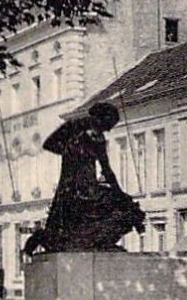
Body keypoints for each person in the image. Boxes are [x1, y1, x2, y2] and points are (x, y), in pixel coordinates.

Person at [24, 101, 146, 254]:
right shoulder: (75, 127)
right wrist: (70, 151)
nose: (109, 129)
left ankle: (98, 242)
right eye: (109, 124)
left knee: (124, 207)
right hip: (75, 187)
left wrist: (119, 193)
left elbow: (106, 169)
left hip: (86, 185)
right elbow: (49, 144)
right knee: (120, 208)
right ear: (101, 118)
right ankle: (93, 241)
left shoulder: (97, 137)